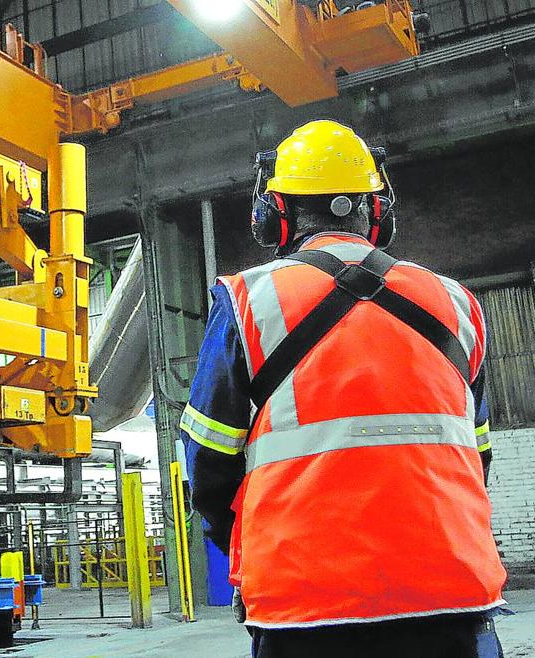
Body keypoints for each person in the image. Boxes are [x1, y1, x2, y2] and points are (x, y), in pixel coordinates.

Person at [179, 119, 507, 658]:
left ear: (273, 213)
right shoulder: (455, 303)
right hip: (453, 596)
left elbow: (209, 466)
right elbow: (479, 457)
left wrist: (252, 555)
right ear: (377, 209)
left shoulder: (248, 302)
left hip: (304, 606)